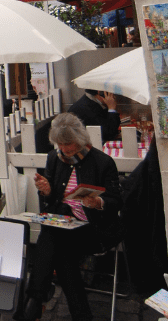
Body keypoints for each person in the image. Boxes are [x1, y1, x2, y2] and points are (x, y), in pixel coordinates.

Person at [21, 113, 122, 321]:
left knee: (54, 243)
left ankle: (34, 301)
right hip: (64, 224)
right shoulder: (54, 158)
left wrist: (98, 203)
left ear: (81, 139)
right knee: (57, 243)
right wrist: (47, 190)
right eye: (60, 145)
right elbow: (51, 203)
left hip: (93, 228)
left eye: (69, 144)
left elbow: (116, 201)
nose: (65, 150)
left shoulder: (103, 163)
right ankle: (80, 315)